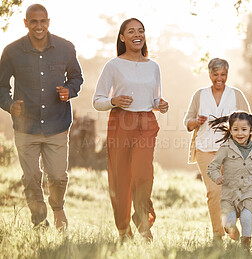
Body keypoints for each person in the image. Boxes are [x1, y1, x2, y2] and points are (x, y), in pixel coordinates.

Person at [0, 4, 83, 231]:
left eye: (42, 21)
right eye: (33, 22)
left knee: (57, 176)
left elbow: (76, 77)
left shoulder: (66, 48)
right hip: (26, 126)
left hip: (57, 123)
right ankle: (39, 221)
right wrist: (9, 104)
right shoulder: (12, 51)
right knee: (31, 177)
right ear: (25, 23)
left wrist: (69, 90)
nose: (39, 26)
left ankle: (57, 207)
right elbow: (0, 86)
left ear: (49, 21)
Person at [93, 17, 168, 242]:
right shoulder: (113, 65)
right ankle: (123, 230)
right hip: (120, 122)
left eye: (141, 31)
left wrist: (161, 105)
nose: (137, 34)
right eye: (131, 31)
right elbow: (97, 101)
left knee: (144, 174)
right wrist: (113, 100)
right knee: (121, 177)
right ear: (122, 37)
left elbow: (155, 100)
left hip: (146, 123)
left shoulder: (154, 66)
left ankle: (143, 221)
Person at [183, 58, 250, 240]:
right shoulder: (200, 95)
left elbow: (248, 122)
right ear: (209, 74)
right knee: (214, 192)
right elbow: (187, 122)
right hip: (205, 150)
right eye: (215, 74)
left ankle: (230, 222)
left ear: (227, 74)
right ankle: (218, 235)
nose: (219, 78)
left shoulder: (236, 94)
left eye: (223, 75)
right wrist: (196, 121)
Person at [207, 111, 252, 249]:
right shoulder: (225, 148)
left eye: (244, 129)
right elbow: (212, 167)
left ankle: (245, 248)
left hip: (247, 194)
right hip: (229, 195)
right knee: (229, 225)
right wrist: (217, 177)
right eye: (235, 129)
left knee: (247, 218)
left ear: (251, 130)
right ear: (230, 130)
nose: (240, 133)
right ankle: (233, 238)